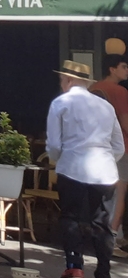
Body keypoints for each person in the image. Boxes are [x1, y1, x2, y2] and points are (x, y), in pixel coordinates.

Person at [49, 59, 125, 278]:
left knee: (70, 218)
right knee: (102, 223)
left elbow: (54, 145)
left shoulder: (61, 103)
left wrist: (59, 160)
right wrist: (106, 159)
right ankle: (103, 270)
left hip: (72, 168)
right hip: (105, 172)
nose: (62, 83)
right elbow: (118, 146)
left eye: (62, 79)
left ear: (69, 80)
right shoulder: (106, 106)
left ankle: (75, 266)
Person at [90, 54, 128, 254]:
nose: (127, 70)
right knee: (119, 191)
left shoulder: (94, 88)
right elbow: (125, 122)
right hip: (120, 146)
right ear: (112, 69)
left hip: (97, 147)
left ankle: (102, 233)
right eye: (123, 66)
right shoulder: (119, 91)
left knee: (101, 193)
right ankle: (111, 237)